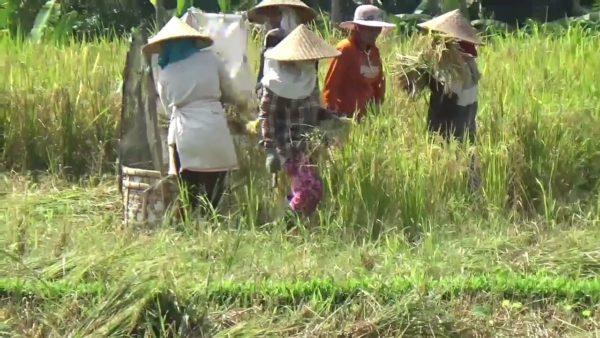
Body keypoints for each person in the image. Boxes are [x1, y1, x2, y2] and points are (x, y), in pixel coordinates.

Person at [142, 17, 250, 218]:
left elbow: (167, 108)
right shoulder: (211, 59)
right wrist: (242, 106)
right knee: (216, 181)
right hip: (213, 125)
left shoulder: (165, 72)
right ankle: (210, 220)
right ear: (191, 41)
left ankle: (193, 224)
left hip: (184, 132)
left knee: (187, 186)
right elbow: (230, 92)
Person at [258, 24, 347, 223]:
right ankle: (285, 225)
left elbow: (313, 110)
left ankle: (293, 225)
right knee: (310, 188)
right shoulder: (275, 81)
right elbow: (267, 115)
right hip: (287, 144)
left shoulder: (308, 77)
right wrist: (270, 149)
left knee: (312, 189)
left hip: (307, 144)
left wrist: (331, 119)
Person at [402, 10, 483, 190]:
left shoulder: (462, 63)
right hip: (455, 125)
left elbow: (464, 89)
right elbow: (412, 90)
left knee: (460, 166)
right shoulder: (447, 63)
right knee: (456, 165)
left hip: (458, 125)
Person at [322, 5, 395, 121]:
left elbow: (378, 82)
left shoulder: (374, 51)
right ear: (358, 27)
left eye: (377, 28)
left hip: (365, 118)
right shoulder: (345, 49)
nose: (374, 33)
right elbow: (331, 85)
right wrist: (332, 114)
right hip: (344, 117)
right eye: (369, 28)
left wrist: (377, 105)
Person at [246, 0, 318, 96]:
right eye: (269, 15)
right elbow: (264, 73)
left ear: (289, 15)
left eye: (276, 14)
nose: (271, 19)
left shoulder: (306, 39)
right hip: (275, 93)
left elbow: (312, 72)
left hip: (304, 94)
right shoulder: (271, 38)